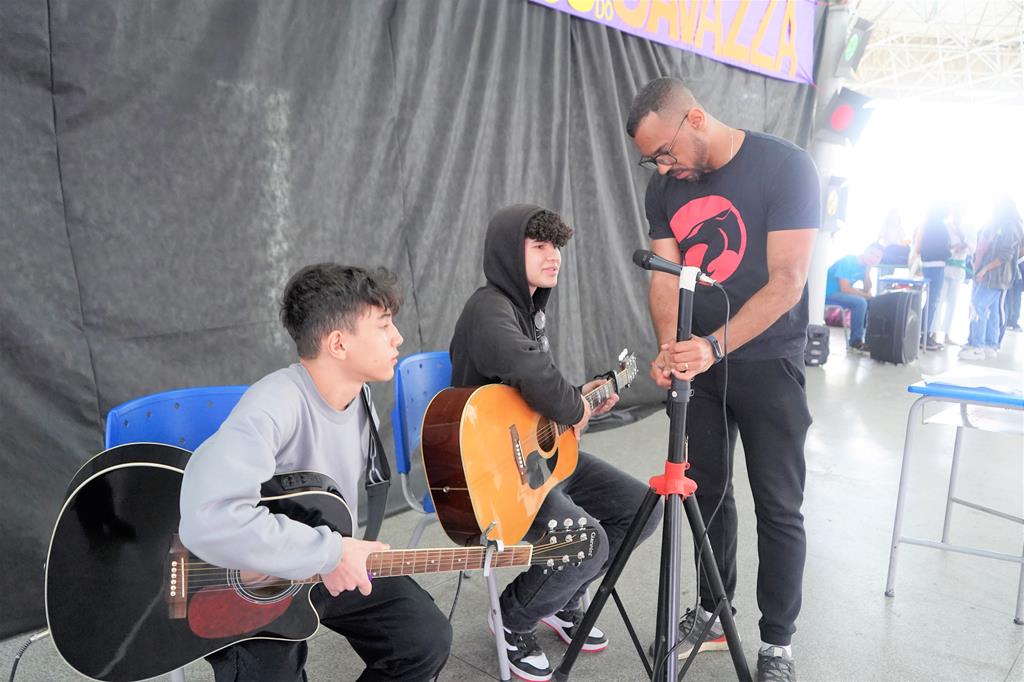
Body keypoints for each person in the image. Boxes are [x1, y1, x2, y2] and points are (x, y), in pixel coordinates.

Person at [626, 77, 819, 682]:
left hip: (768, 362)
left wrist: (713, 345)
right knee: (704, 492)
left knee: (778, 504)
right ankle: (714, 610)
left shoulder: (786, 168)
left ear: (697, 120)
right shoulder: (665, 188)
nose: (662, 167)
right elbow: (664, 274)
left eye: (665, 152)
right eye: (651, 159)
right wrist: (669, 347)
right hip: (698, 365)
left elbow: (787, 282)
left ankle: (777, 643)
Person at [178, 264, 452, 681]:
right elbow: (208, 521)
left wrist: (333, 553)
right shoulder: (272, 405)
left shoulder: (361, 399)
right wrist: (330, 553)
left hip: (320, 559)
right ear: (338, 343)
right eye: (383, 325)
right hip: (243, 579)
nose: (398, 337)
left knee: (423, 637)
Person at [448, 205, 662, 682]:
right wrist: (572, 405)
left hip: (534, 459)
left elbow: (532, 392)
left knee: (640, 507)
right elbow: (533, 375)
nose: (554, 257)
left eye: (557, 247)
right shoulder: (489, 311)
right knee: (589, 540)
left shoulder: (528, 312)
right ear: (508, 253)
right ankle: (514, 617)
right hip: (494, 475)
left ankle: (559, 598)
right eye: (539, 246)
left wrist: (583, 399)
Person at [959, 197, 1024, 360]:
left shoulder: (1010, 226)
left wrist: (985, 268)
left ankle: (978, 346)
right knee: (992, 309)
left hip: (996, 275)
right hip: (993, 274)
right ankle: (990, 344)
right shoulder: (1003, 225)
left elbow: (1005, 255)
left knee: (978, 306)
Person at [909, 202, 954, 350]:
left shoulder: (925, 224)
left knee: (928, 301)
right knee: (933, 301)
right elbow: (945, 248)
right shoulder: (941, 227)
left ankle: (920, 333)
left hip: (926, 264)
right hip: (937, 265)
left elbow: (919, 246)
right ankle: (925, 335)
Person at [824, 243, 885, 350]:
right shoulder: (848, 261)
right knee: (860, 302)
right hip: (828, 294)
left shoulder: (864, 266)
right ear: (865, 251)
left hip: (841, 294)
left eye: (877, 257)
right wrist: (865, 295)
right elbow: (845, 288)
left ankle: (871, 340)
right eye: (872, 254)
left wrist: (867, 272)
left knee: (874, 302)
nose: (873, 258)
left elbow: (867, 289)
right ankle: (855, 341)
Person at [936, 209, 970, 346]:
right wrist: (952, 248)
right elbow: (940, 244)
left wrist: (964, 245)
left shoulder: (967, 228)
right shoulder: (945, 226)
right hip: (945, 267)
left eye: (960, 214)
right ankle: (932, 333)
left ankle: (947, 334)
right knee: (939, 301)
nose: (958, 216)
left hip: (959, 268)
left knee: (953, 303)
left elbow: (973, 246)